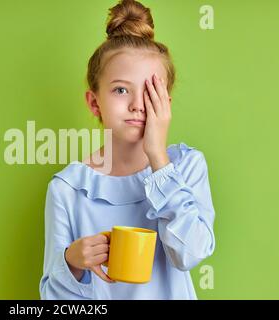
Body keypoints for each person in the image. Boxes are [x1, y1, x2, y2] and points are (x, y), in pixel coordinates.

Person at [39, 0, 216, 300]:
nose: (137, 104)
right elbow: (53, 300)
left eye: (150, 92)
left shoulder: (186, 167)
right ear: (95, 102)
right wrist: (71, 263)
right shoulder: (67, 190)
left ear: (166, 104)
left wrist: (158, 158)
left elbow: (190, 254)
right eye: (121, 90)